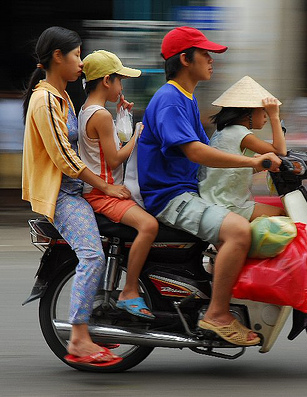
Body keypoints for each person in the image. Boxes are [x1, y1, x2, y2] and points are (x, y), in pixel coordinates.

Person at [138, 26, 281, 346]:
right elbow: (196, 151)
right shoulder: (170, 99)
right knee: (238, 231)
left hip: (188, 191)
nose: (211, 60)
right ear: (185, 59)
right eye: (205, 54)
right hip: (171, 197)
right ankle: (216, 314)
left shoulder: (185, 98)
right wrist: (252, 163)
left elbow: (208, 154)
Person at [22, 26, 130, 367]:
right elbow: (64, 158)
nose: (81, 63)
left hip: (77, 189)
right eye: (77, 55)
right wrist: (105, 186)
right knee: (92, 256)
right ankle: (80, 336)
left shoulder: (64, 97)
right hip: (62, 196)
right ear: (58, 57)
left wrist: (122, 111)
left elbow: (89, 139)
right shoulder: (45, 100)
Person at [79, 50, 159, 319]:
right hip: (103, 194)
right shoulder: (99, 115)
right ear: (106, 81)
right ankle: (129, 291)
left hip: (105, 190)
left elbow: (107, 149)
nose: (121, 87)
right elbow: (114, 160)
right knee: (149, 226)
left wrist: (122, 119)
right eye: (119, 80)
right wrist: (137, 133)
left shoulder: (90, 110)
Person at [198, 75, 286, 220]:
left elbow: (234, 167)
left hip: (216, 199)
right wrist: (274, 117)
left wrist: (262, 164)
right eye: (263, 111)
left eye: (267, 112)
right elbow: (279, 150)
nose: (265, 116)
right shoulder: (240, 133)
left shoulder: (224, 131)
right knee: (282, 214)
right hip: (227, 203)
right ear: (247, 113)